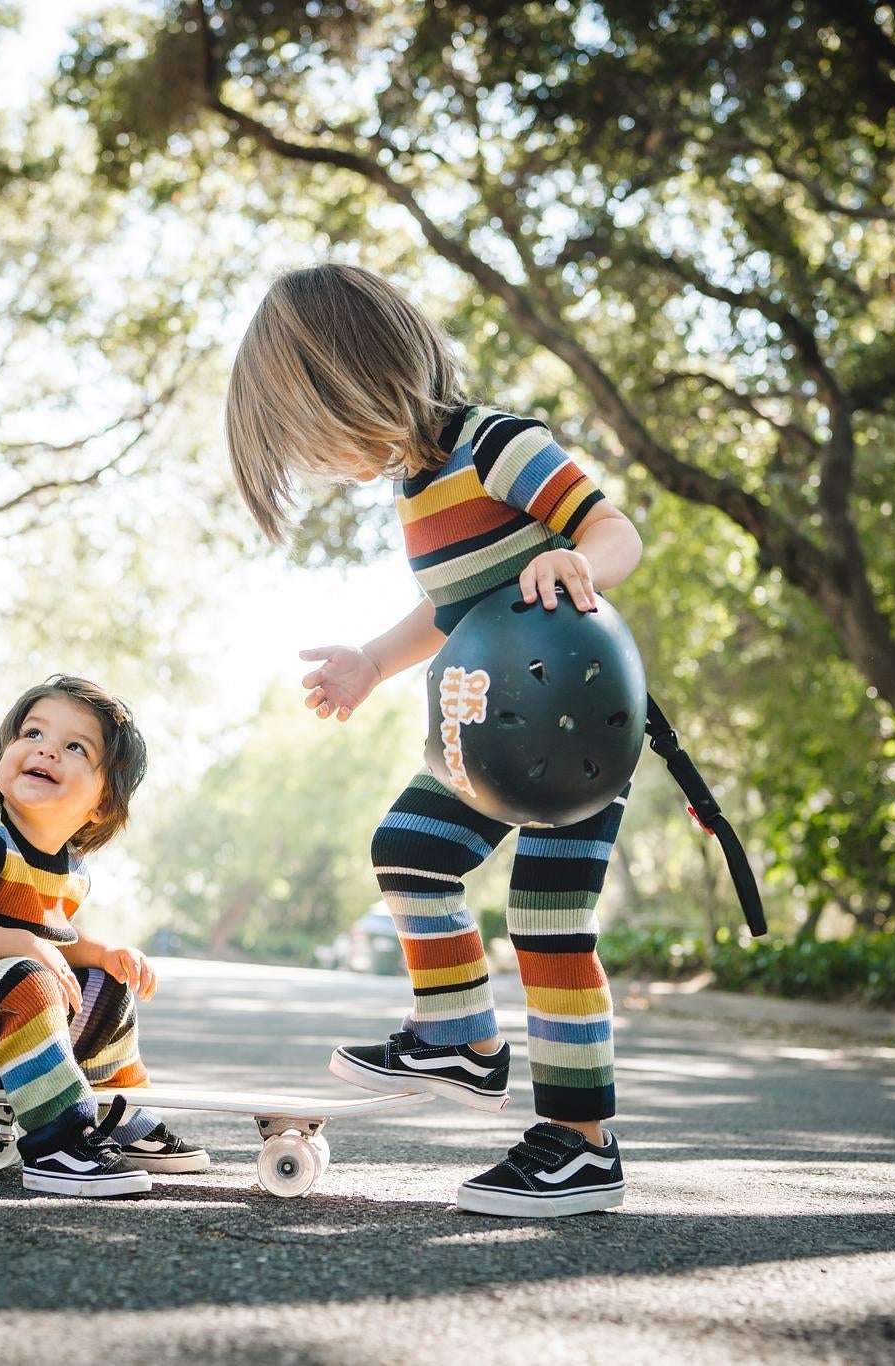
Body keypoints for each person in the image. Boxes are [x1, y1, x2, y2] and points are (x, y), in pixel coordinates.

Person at [224, 263, 645, 1218]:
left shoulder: (497, 444)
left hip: (572, 726)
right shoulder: (418, 487)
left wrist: (583, 559)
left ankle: (582, 1144)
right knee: (409, 849)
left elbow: (613, 528)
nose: (318, 461)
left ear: (351, 381)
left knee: (547, 925)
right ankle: (461, 1036)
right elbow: (448, 608)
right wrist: (374, 662)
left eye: (308, 433)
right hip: (483, 733)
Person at [0, 676, 207, 1197]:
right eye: (32, 733)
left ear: (101, 805)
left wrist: (102, 953)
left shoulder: (72, 870)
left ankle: (117, 1117)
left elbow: (48, 936)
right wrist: (25, 946)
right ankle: (57, 1141)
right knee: (25, 977)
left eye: (76, 747)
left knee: (104, 981)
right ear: (3, 756)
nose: (47, 749)